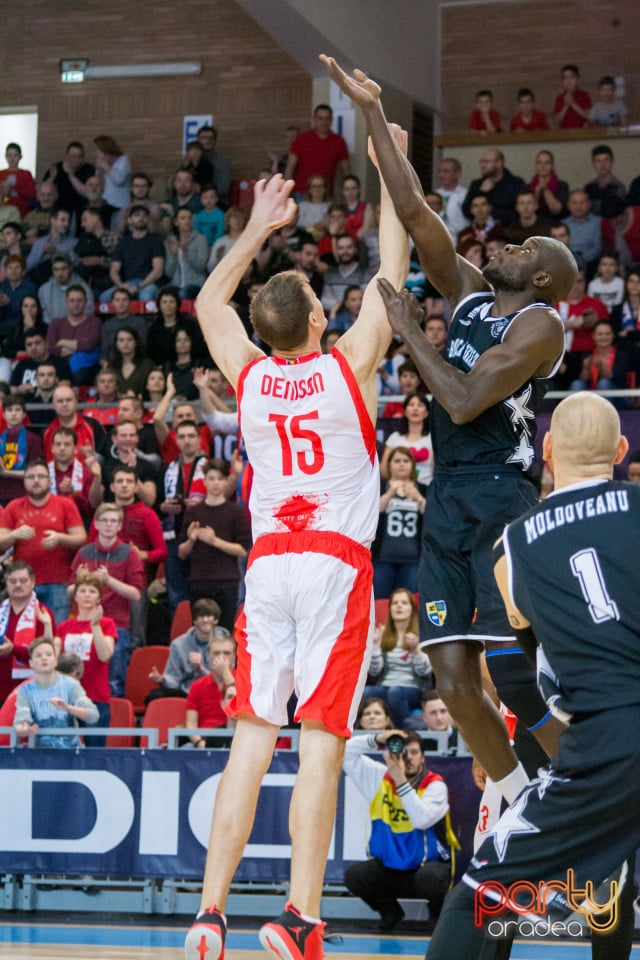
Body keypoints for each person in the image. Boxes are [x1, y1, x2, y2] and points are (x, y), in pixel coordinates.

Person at [322, 53, 577, 804]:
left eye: (524, 249)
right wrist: (373, 115)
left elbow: (465, 402)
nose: (505, 245)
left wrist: (409, 332)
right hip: (449, 495)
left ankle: (594, 784)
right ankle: (514, 796)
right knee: (450, 674)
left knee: (510, 671)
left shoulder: (541, 325)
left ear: (540, 278)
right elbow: (414, 215)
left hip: (503, 498)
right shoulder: (467, 291)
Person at [183, 146, 408, 958]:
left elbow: (211, 299)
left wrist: (256, 229)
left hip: (268, 562)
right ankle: (299, 916)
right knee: (319, 743)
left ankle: (210, 913)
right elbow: (392, 266)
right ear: (317, 321)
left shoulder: (244, 370)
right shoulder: (351, 362)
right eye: (318, 298)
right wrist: (388, 171)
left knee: (249, 742)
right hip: (335, 566)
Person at [425, 392, 640, 960]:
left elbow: (524, 662)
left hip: (602, 738)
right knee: (610, 885)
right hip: (611, 728)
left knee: (481, 891)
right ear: (620, 451)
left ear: (545, 449)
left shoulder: (513, 546)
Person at [343, 729, 455, 932]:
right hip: (391, 867)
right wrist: (376, 739)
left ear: (423, 757)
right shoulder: (379, 778)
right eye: (403, 752)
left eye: (413, 752)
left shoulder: (435, 786)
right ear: (393, 754)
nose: (408, 758)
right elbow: (344, 752)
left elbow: (420, 820)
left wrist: (400, 780)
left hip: (425, 866)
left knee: (433, 878)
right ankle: (390, 912)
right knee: (355, 876)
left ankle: (436, 914)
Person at [69, 507, 143, 700]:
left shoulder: (129, 553)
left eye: (113, 521)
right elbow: (69, 592)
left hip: (117, 625)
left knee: (114, 682)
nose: (109, 525)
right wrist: (80, 581)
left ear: (119, 526)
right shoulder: (84, 552)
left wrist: (109, 581)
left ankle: (116, 727)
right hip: (84, 625)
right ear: (96, 523)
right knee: (79, 679)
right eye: (104, 520)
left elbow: (135, 594)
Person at [0, 460, 87, 624]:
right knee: (22, 635)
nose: (36, 480)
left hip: (58, 582)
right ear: (24, 481)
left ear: (49, 480)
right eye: (31, 477)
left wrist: (60, 538)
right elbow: (1, 541)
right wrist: (15, 534)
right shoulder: (13, 506)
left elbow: (81, 538)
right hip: (22, 584)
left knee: (56, 634)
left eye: (41, 476)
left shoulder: (65, 504)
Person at [178, 458, 251, 631]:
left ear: (227, 481)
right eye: (211, 478)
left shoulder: (235, 512)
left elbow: (242, 550)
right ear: (204, 481)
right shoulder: (193, 512)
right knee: (200, 633)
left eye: (220, 478)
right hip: (199, 582)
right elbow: (181, 553)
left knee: (224, 632)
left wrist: (215, 541)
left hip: (226, 583)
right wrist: (191, 539)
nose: (216, 483)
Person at [55, 572, 117, 744]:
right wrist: (46, 626)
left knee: (94, 752)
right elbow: (53, 657)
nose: (87, 595)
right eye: (82, 591)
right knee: (63, 748)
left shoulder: (107, 624)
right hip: (66, 697)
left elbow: (105, 655)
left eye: (92, 591)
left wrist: (95, 626)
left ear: (99, 598)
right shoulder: (64, 626)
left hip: (96, 697)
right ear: (75, 597)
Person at [14, 636, 98, 748]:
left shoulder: (71, 684)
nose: (44, 658)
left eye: (48, 655)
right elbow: (19, 723)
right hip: (41, 756)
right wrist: (25, 730)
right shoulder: (25, 691)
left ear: (55, 661)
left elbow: (93, 715)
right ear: (31, 663)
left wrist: (69, 708)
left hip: (72, 753)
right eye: (39, 656)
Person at [365, 588, 432, 725]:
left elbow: (425, 672)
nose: (399, 606)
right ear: (390, 609)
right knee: (366, 692)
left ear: (412, 608)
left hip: (413, 689)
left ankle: (404, 732)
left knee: (395, 693)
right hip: (385, 686)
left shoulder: (422, 634)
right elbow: (374, 672)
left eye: (404, 603)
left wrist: (416, 650)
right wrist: (376, 645)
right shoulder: (381, 633)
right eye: (395, 603)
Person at [0, 561, 55, 706]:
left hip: (29, 692)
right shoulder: (1, 610)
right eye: (12, 581)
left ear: (33, 583)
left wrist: (13, 650)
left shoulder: (43, 613)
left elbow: (47, 653)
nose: (17, 585)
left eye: (23, 581)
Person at [373, 447, 426, 599]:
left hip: (413, 562)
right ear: (389, 464)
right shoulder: (380, 486)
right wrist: (390, 493)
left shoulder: (422, 488)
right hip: (382, 560)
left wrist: (418, 498)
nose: (401, 464)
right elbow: (373, 512)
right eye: (397, 461)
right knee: (379, 603)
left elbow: (432, 516)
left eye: (406, 461)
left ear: (412, 465)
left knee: (410, 603)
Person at [148, 598, 224, 701]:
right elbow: (174, 679)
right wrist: (162, 679)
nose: (205, 620)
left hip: (214, 691)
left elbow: (226, 679)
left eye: (209, 616)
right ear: (195, 620)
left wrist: (201, 669)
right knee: (154, 696)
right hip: (186, 691)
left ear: (216, 620)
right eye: (201, 616)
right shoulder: (178, 645)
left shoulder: (224, 644)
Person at [284, 104, 350, 199]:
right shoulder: (301, 139)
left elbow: (346, 171)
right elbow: (290, 168)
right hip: (301, 193)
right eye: (320, 118)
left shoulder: (339, 141)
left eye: (327, 118)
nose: (324, 122)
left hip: (326, 194)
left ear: (331, 120)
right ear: (314, 119)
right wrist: (287, 193)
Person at [101, 204, 165, 302]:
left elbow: (158, 271)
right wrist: (121, 286)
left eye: (144, 215)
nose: (141, 218)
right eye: (137, 215)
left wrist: (139, 286)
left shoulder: (155, 241)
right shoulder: (123, 242)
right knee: (104, 297)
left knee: (145, 297)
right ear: (129, 220)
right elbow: (114, 270)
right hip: (127, 283)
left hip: (149, 283)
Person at [184, 628, 236, 747]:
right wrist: (199, 743)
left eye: (227, 653)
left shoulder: (244, 681)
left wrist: (226, 675)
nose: (222, 658)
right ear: (209, 656)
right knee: (186, 749)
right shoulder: (197, 686)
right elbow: (191, 724)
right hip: (204, 739)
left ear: (234, 656)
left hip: (234, 738)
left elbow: (238, 712)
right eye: (216, 653)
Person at [46, 426, 103, 522]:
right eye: (58, 444)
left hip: (80, 521)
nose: (62, 448)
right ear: (52, 448)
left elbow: (91, 509)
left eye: (67, 444)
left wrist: (73, 493)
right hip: (49, 520)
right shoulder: (43, 472)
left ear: (75, 449)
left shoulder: (87, 472)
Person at [380, 393, 433, 486]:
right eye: (411, 405)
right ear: (405, 411)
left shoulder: (432, 438)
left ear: (427, 413)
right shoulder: (394, 438)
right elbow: (384, 471)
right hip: (396, 490)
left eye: (420, 405)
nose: (415, 408)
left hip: (426, 490)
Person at [0, 396, 43, 505]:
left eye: (18, 410)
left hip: (24, 494)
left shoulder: (33, 439)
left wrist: (6, 472)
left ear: (24, 414)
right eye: (9, 410)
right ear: (3, 414)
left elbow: (36, 472)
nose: (14, 414)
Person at [0, 143, 36, 219]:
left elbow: (32, 195)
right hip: (3, 214)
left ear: (20, 157)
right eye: (9, 155)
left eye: (15, 155)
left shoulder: (26, 174)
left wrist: (16, 186)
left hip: (23, 213)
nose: (12, 159)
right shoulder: (1, 174)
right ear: (6, 157)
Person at [553, 63, 592, 129]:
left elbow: (588, 116)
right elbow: (557, 121)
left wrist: (573, 103)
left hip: (582, 133)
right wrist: (566, 105)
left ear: (577, 78)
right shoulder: (559, 98)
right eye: (565, 78)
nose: (569, 80)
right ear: (562, 81)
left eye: (572, 77)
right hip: (564, 134)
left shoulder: (584, 95)